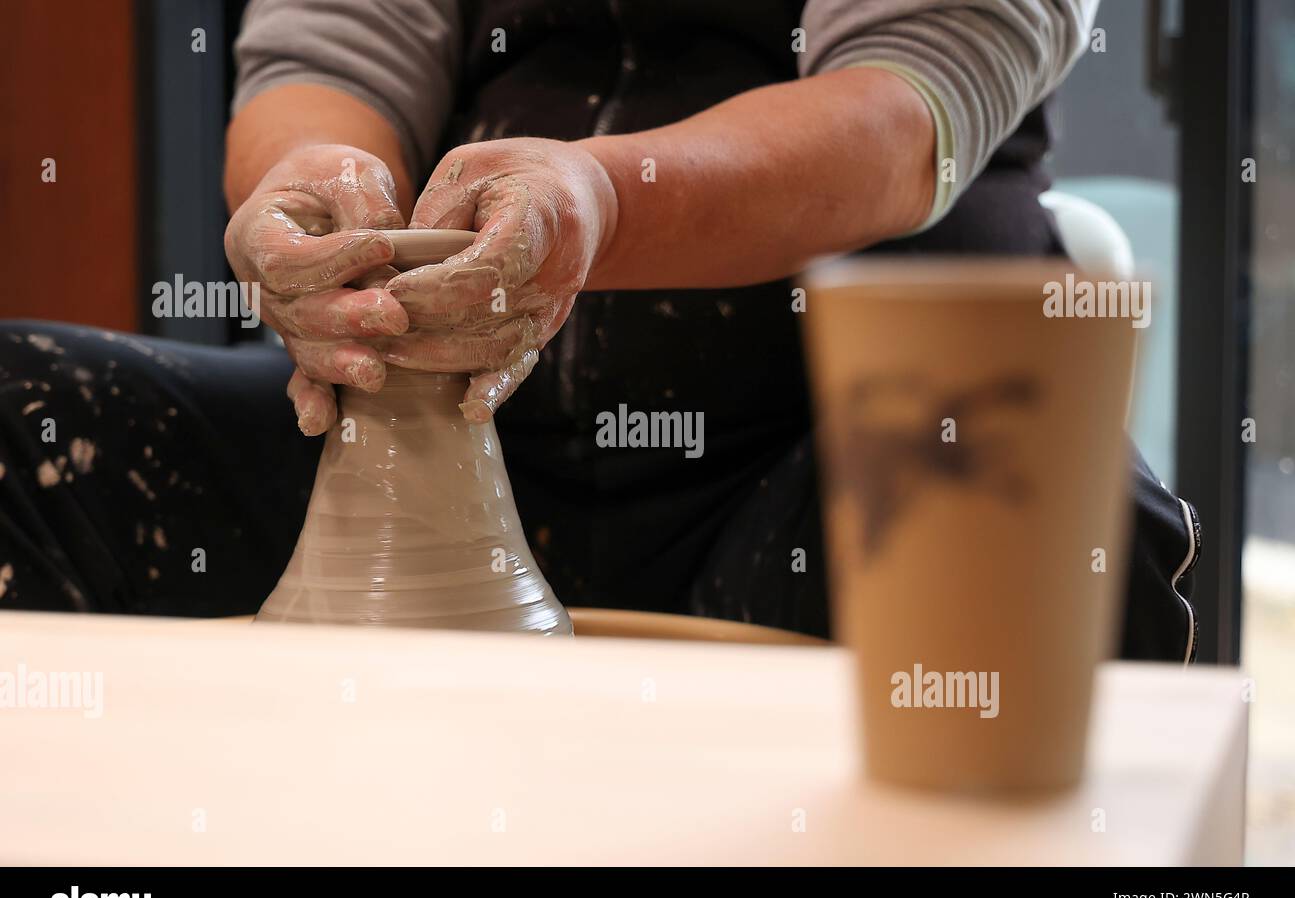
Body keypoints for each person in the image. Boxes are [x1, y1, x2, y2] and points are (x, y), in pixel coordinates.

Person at [0, 0, 1199, 661]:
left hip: (804, 474)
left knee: (1069, 529)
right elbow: (329, 48)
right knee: (23, 413)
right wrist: (319, 194)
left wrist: (602, 203)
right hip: (430, 430)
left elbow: (901, 114)